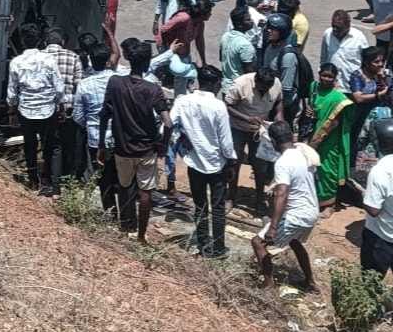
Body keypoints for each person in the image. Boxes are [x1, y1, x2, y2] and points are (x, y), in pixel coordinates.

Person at [99, 41, 172, 244]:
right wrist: (163, 146)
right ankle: (141, 235)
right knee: (145, 192)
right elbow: (168, 123)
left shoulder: (115, 83)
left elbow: (104, 114)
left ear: (129, 60)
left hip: (122, 148)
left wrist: (102, 144)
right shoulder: (153, 89)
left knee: (125, 186)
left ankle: (126, 226)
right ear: (147, 63)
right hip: (147, 149)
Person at [170, 64, 236, 258]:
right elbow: (226, 142)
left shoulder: (183, 101)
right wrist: (232, 162)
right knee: (218, 208)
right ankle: (218, 248)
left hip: (194, 162)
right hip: (217, 164)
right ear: (215, 84)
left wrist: (181, 138)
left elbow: (169, 123)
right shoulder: (218, 106)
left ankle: (203, 243)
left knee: (200, 206)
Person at [252, 122, 320, 290]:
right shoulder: (303, 153)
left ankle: (268, 285)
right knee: (295, 242)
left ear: (274, 142)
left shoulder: (283, 162)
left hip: (297, 215)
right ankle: (310, 281)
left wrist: (273, 227)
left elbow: (281, 194)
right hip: (312, 211)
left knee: (258, 243)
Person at [362, 117, 393, 329]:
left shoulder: (380, 171)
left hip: (381, 237)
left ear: (378, 143)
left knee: (371, 278)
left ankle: (365, 319)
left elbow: (373, 210)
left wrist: (362, 195)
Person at [6, 24, 64, 196]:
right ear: (40, 40)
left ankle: (32, 180)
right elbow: (59, 88)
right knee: (49, 146)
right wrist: (59, 105)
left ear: (22, 41)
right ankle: (48, 182)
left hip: (26, 110)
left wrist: (12, 109)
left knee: (29, 144)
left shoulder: (16, 62)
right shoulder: (49, 60)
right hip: (47, 109)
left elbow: (12, 91)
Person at [73, 42, 127, 221]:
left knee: (103, 179)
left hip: (96, 138)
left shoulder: (84, 84)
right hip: (120, 137)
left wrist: (90, 125)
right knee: (123, 178)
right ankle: (126, 217)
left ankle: (110, 214)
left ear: (91, 60)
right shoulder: (120, 80)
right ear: (107, 61)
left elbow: (78, 116)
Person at [225, 67, 283, 215]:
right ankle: (231, 197)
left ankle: (259, 200)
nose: (265, 90)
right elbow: (228, 106)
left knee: (260, 165)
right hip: (238, 128)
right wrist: (246, 118)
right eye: (262, 88)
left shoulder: (276, 83)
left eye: (268, 88)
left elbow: (278, 102)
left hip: (260, 130)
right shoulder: (240, 84)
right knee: (235, 162)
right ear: (256, 81)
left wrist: (279, 119)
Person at [308, 63, 354, 208]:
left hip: (329, 140)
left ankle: (329, 204)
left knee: (327, 170)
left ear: (335, 78)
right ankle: (314, 199)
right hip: (311, 133)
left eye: (330, 77)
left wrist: (318, 140)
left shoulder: (338, 98)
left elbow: (334, 122)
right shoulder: (313, 87)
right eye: (324, 75)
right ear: (319, 74)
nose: (327, 79)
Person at [44, 28, 83, 179]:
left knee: (49, 143)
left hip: (45, 108)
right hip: (68, 108)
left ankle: (48, 175)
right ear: (63, 42)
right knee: (67, 142)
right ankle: (66, 174)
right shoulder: (73, 57)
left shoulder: (40, 57)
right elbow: (78, 85)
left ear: (46, 42)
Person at [349, 46, 393, 162]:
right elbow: (358, 98)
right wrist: (377, 95)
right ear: (366, 63)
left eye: (382, 61)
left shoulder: (382, 75)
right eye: (376, 62)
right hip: (360, 117)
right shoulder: (358, 76)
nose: (380, 64)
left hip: (377, 117)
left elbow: (388, 96)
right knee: (357, 143)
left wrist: (382, 79)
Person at [261, 12, 301, 123]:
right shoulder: (270, 47)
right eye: (268, 27)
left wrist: (278, 113)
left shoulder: (288, 56)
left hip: (283, 107)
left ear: (282, 32)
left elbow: (286, 90)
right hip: (270, 101)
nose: (268, 30)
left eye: (273, 29)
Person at [320, 11, 368, 93]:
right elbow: (323, 59)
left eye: (338, 27)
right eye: (333, 26)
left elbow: (367, 60)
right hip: (332, 86)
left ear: (348, 26)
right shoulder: (327, 34)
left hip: (352, 87)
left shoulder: (359, 37)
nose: (334, 30)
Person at [158, 2, 209, 66]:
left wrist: (204, 62)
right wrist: (168, 52)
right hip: (168, 47)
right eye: (209, 12)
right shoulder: (184, 18)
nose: (211, 14)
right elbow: (163, 30)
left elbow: (200, 42)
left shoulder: (200, 24)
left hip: (183, 51)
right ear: (202, 14)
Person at [219, 8, 256, 93]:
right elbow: (249, 73)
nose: (251, 21)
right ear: (240, 24)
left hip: (226, 86)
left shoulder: (225, 36)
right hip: (238, 90)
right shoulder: (245, 45)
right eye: (248, 20)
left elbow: (221, 58)